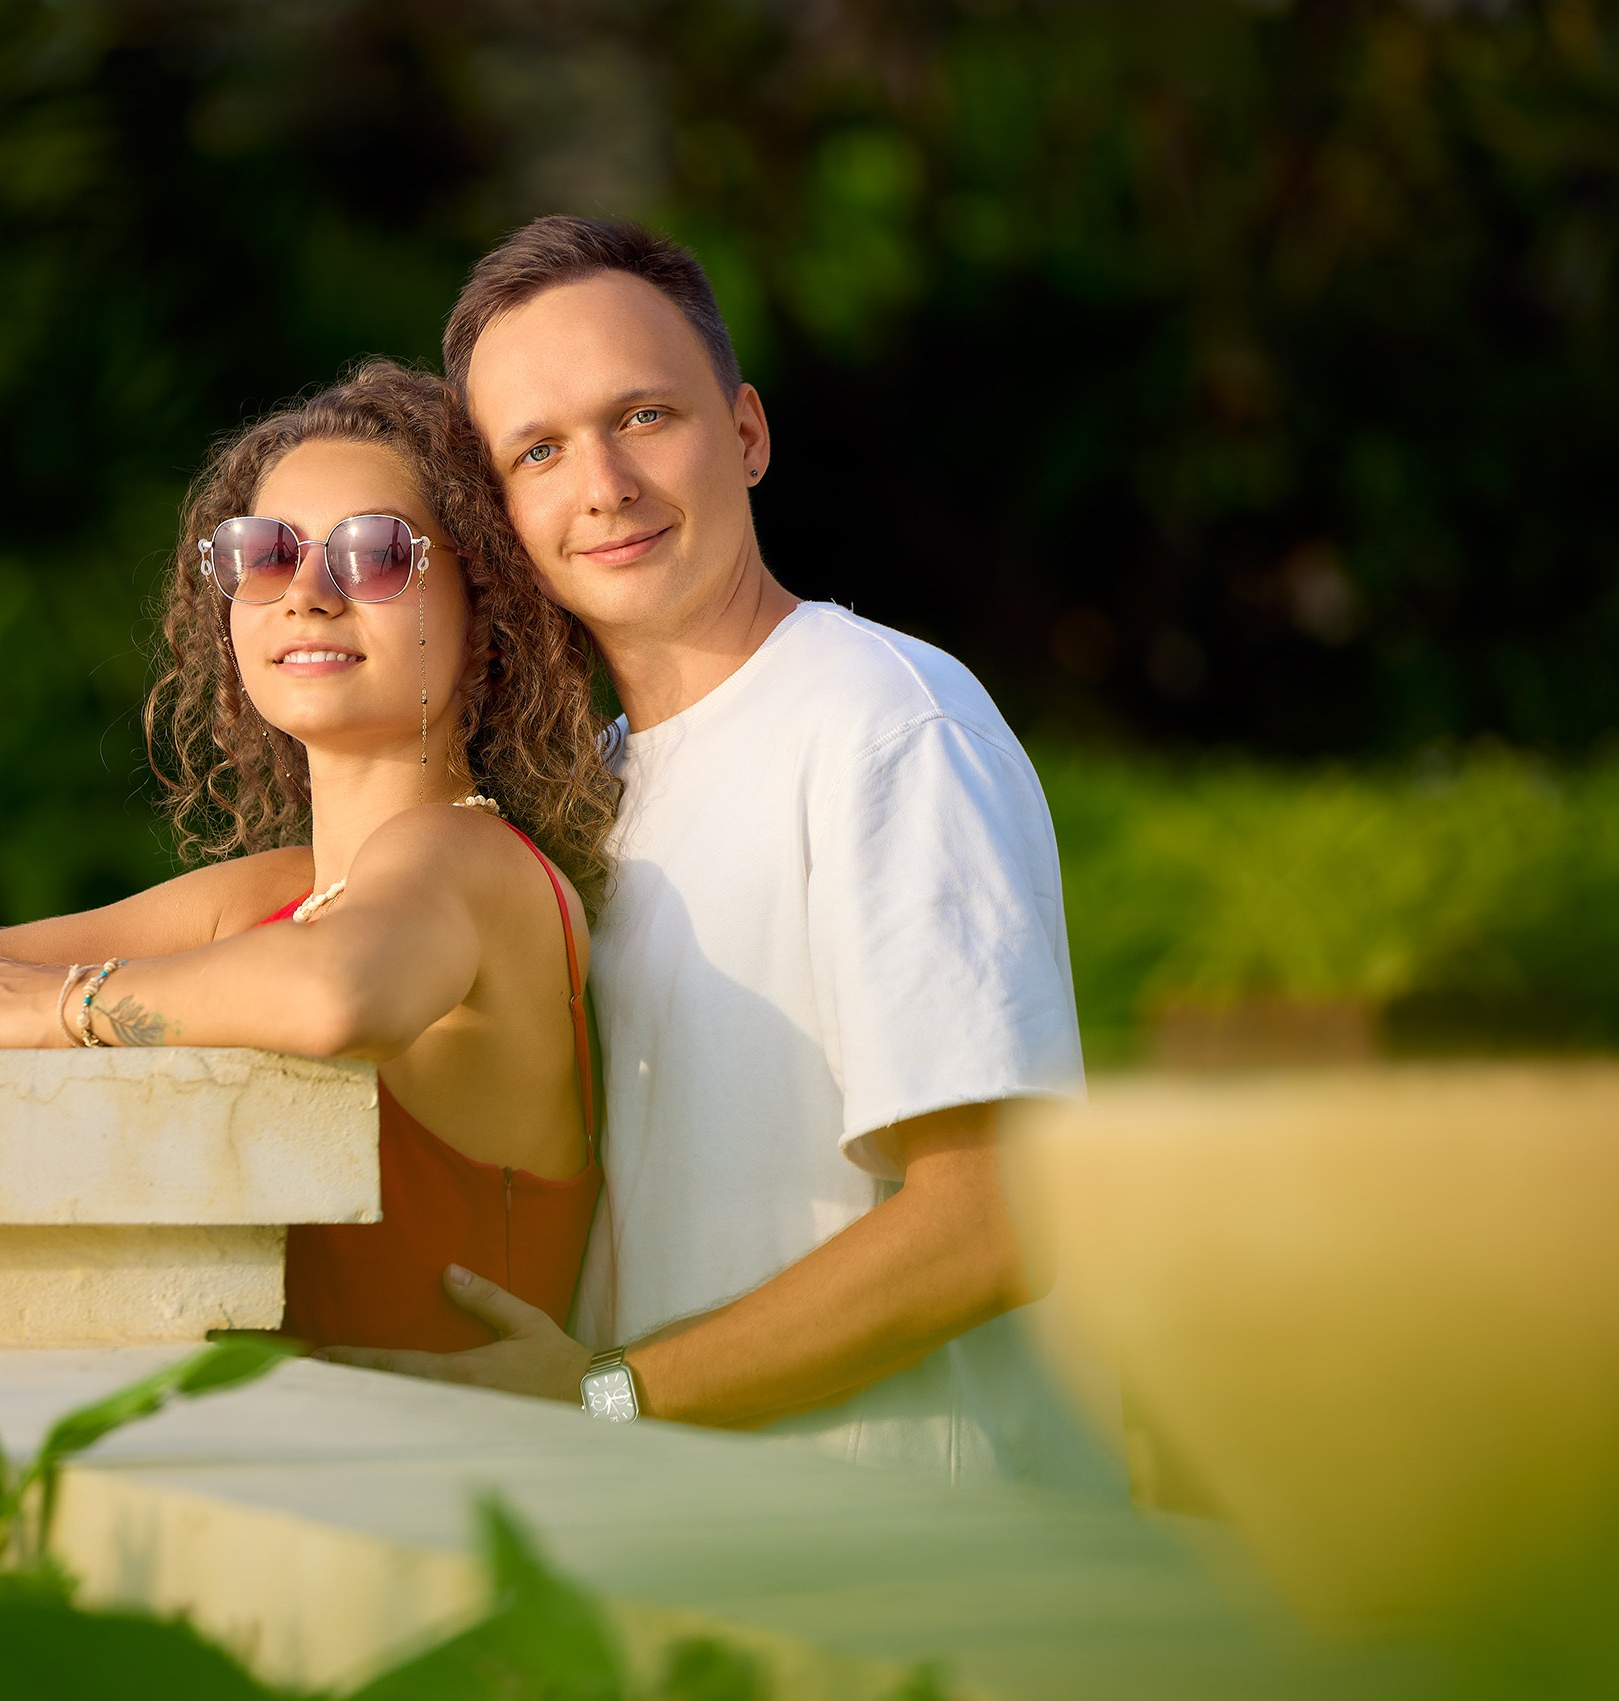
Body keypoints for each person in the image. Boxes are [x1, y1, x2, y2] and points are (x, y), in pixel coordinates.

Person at [326, 218, 1114, 1492]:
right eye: (539, 451)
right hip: (710, 1551)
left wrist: (609, 1395)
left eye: (643, 417)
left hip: (926, 1556)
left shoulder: (883, 726)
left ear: (746, 434)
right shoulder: (588, 788)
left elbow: (992, 1224)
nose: (603, 486)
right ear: (502, 513)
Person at [0, 361, 616, 1354]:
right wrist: (23, 1007)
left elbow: (336, 996)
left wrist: (64, 1008)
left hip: (431, 1452)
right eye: (265, 553)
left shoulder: (477, 863)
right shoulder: (275, 898)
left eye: (375, 553)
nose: (308, 595)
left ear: (487, 610)